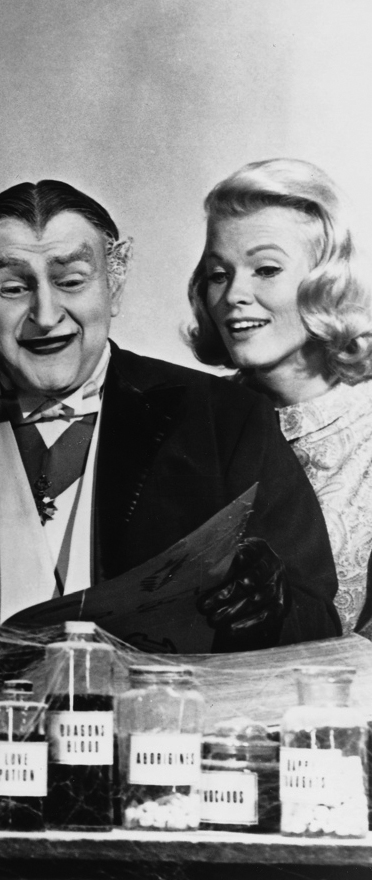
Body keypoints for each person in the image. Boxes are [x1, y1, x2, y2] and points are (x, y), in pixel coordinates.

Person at [0, 179, 340, 656]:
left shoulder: (225, 419)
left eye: (71, 281)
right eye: (14, 287)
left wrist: (274, 606)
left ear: (114, 287)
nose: (45, 314)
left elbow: (318, 624)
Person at [187, 158, 372, 634]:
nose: (233, 295)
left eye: (266, 269)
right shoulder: (193, 420)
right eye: (218, 274)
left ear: (328, 281)